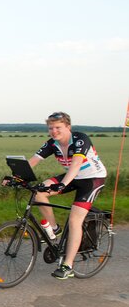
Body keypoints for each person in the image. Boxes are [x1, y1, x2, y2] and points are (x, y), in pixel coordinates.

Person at [28, 111, 106, 279]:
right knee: (39, 192)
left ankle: (67, 265)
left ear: (68, 127)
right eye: (51, 128)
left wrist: (63, 184)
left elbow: (76, 164)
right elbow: (33, 160)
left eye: (58, 127)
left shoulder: (80, 139)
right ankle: (54, 228)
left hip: (92, 179)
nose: (54, 131)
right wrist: (16, 177)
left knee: (74, 220)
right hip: (73, 177)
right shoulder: (52, 143)